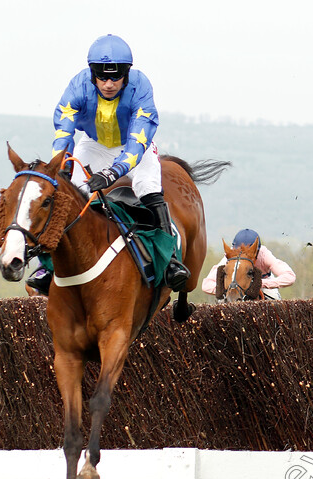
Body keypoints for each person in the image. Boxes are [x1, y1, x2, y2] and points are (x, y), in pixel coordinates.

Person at [26, 34, 188, 295]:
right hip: (94, 144)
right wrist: (60, 166)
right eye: (102, 77)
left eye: (116, 77)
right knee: (66, 192)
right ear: (92, 74)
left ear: (127, 74)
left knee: (148, 185)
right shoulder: (78, 86)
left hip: (135, 146)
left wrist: (112, 173)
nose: (109, 84)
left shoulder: (140, 86)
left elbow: (138, 141)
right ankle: (48, 265)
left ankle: (170, 261)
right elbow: (63, 131)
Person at [202, 229, 295, 300]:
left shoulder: (264, 254)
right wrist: (226, 289)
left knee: (276, 301)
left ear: (256, 251)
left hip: (265, 287)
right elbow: (206, 285)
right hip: (236, 289)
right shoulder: (231, 256)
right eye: (240, 252)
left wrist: (261, 284)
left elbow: (289, 276)